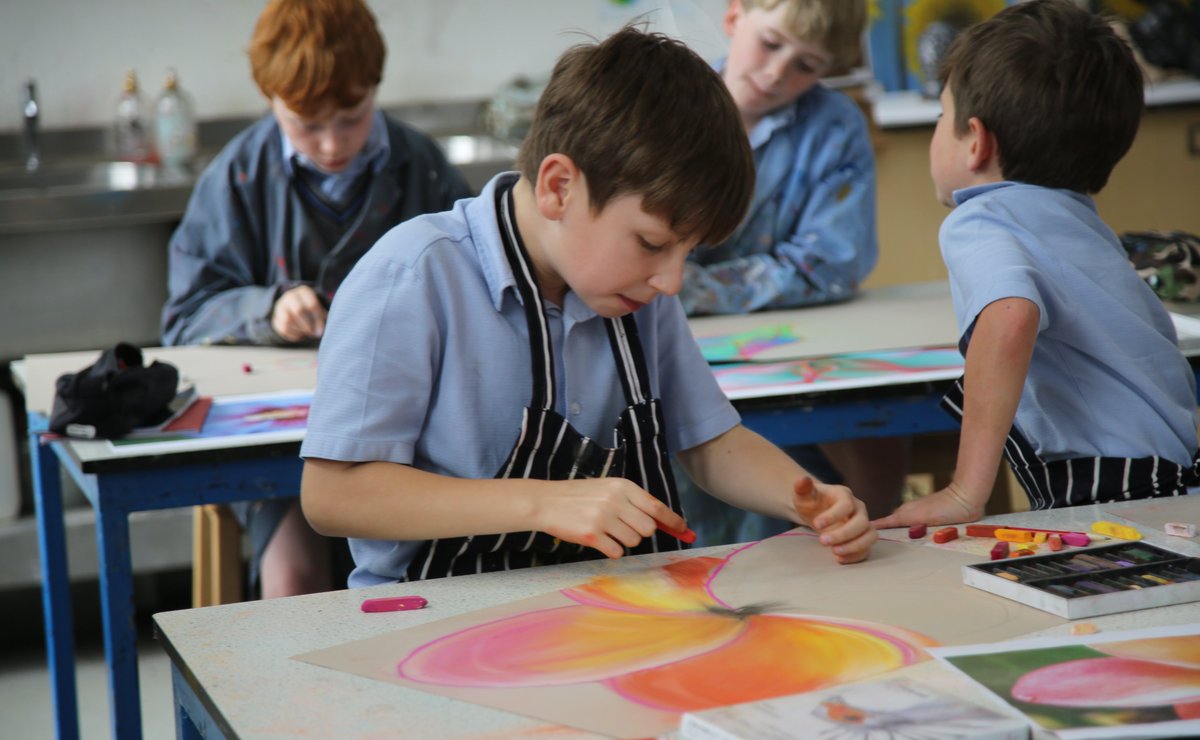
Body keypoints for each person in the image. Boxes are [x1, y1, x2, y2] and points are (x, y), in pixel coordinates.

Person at [299, 26, 876, 587]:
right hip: (435, 622)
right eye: (652, 243)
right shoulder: (415, 275)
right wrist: (541, 503)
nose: (672, 280)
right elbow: (334, 496)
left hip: (612, 609)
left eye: (689, 253)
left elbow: (708, 442)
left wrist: (805, 497)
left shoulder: (636, 290)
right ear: (558, 188)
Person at [161, 0, 472, 597]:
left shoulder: (423, 168)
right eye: (306, 123)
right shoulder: (238, 178)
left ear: (375, 88)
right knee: (291, 578)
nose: (332, 143)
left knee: (441, 571)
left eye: (352, 117)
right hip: (288, 442)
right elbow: (184, 315)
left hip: (414, 432)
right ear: (270, 100)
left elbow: (476, 284)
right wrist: (267, 310)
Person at [874, 0, 1200, 529]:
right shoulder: (1077, 218)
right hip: (1172, 478)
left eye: (941, 117)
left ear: (975, 141)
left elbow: (1010, 318)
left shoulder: (980, 218)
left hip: (1108, 486)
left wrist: (963, 492)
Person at [676, 0, 909, 544]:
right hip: (675, 344)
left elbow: (830, 264)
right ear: (736, 18)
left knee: (849, 456)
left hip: (779, 350)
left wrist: (701, 288)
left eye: (807, 64)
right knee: (690, 503)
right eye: (772, 43)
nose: (779, 72)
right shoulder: (671, 105)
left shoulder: (834, 126)